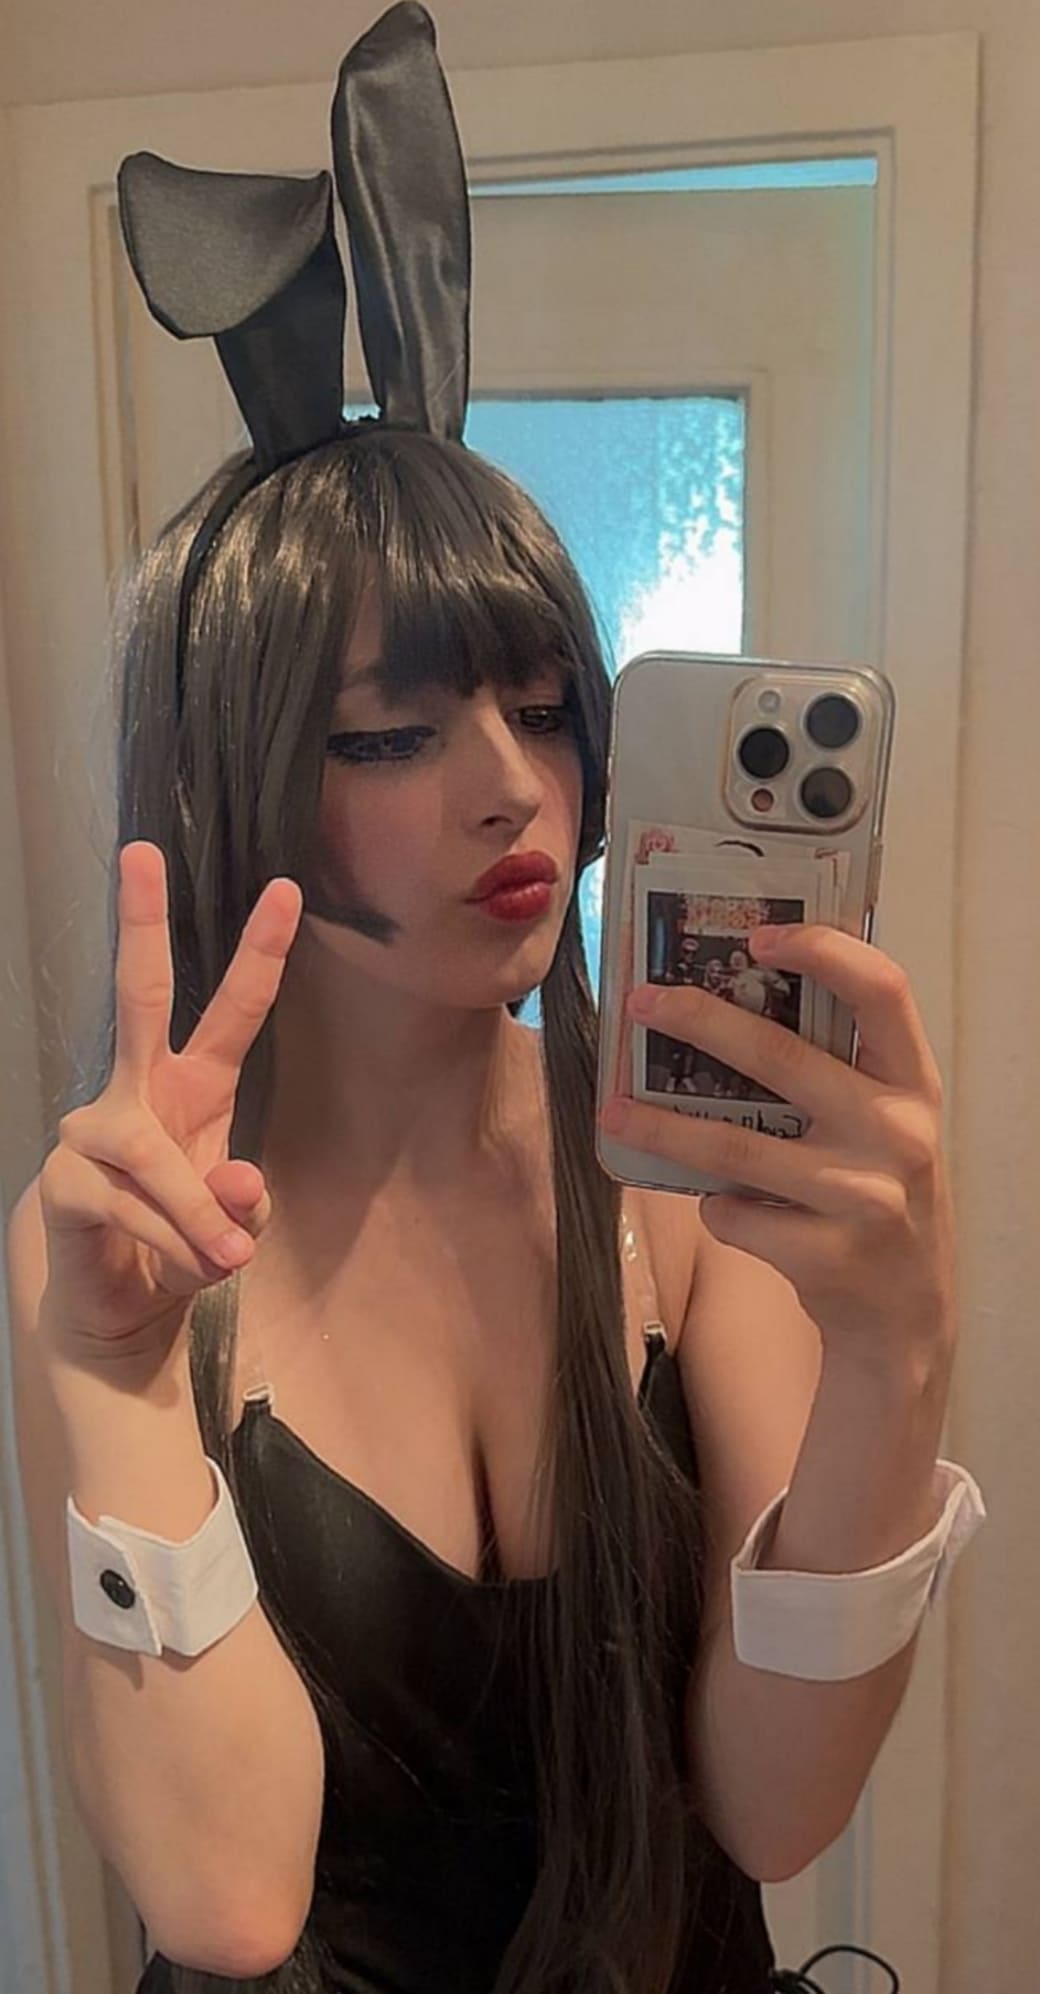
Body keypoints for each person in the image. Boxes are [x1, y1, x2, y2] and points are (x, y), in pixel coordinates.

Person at [4, 9, 984, 1994]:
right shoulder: (132, 1244)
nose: (510, 787)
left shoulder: (674, 1184)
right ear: (237, 773)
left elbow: (776, 1808)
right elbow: (228, 1901)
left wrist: (899, 1359)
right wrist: (107, 1377)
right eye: (391, 731)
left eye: (543, 708)